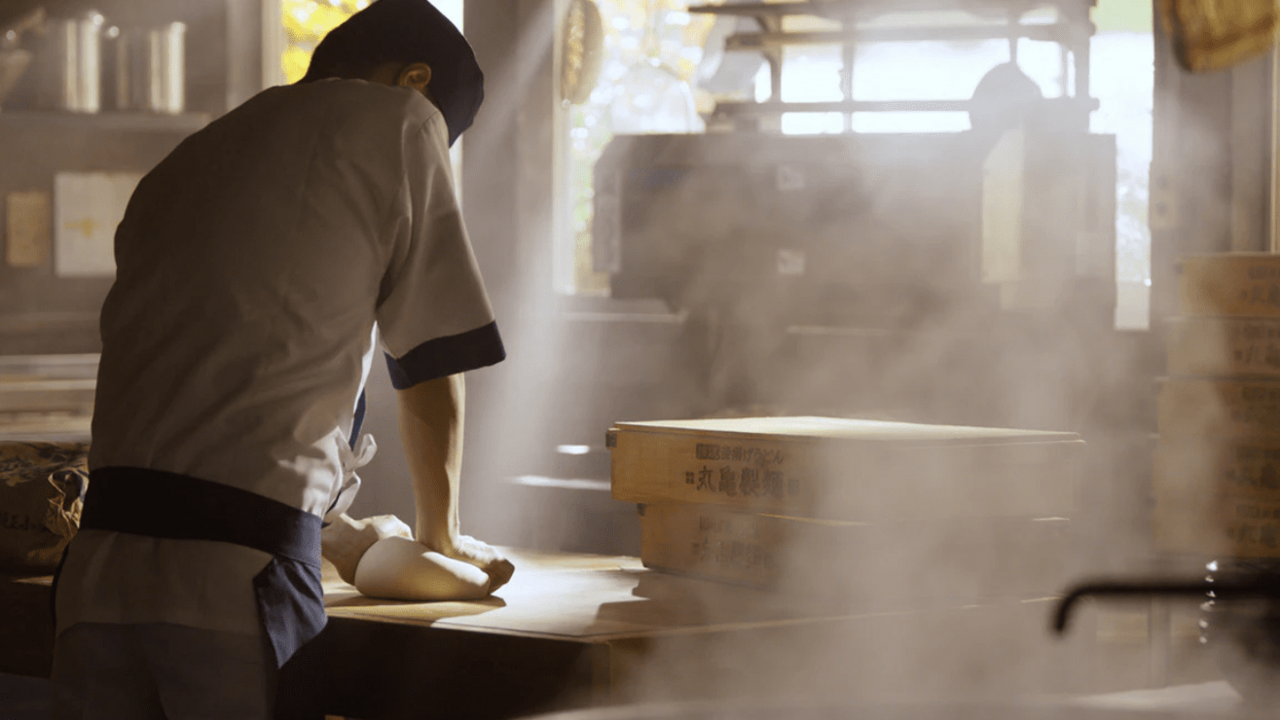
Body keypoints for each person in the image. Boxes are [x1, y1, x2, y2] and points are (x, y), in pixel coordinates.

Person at [49, 1, 513, 717]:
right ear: (414, 80)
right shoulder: (399, 122)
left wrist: (348, 537)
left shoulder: (195, 153)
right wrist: (441, 537)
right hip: (237, 589)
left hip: (95, 579)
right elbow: (431, 360)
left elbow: (222, 405)